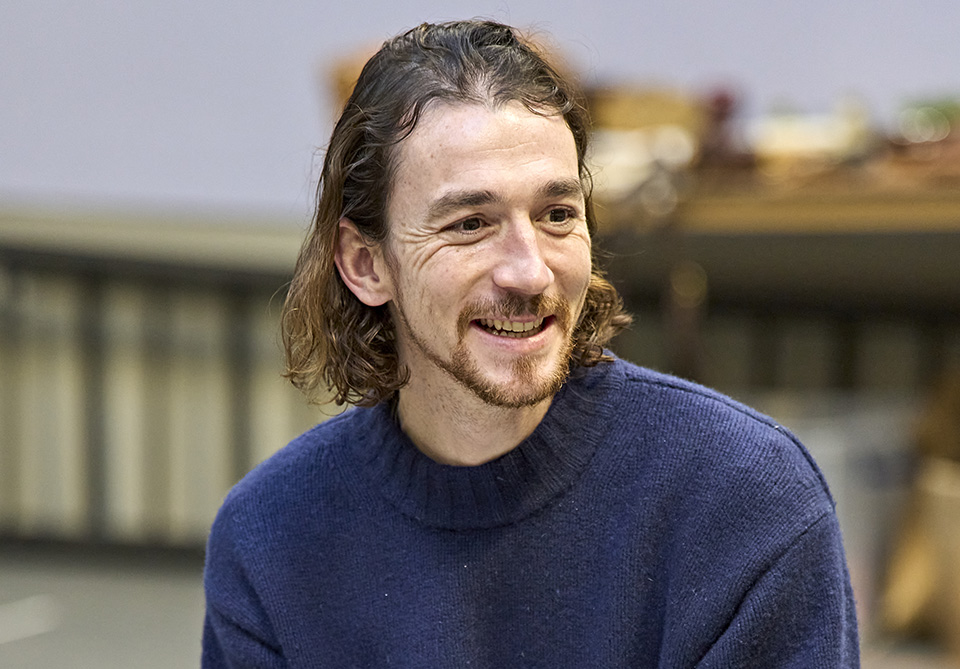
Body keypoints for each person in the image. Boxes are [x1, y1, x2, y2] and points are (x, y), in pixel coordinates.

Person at [202, 19, 859, 667]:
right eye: (470, 223)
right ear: (367, 264)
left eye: (556, 215)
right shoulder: (271, 537)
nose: (530, 270)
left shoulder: (745, 501)